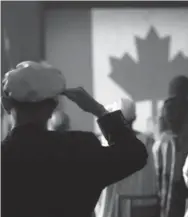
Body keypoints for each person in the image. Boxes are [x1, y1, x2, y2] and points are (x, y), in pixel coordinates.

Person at [1, 61, 148, 217]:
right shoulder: (80, 147)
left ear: (5, 104)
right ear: (53, 107)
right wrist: (99, 110)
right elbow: (135, 154)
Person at [95, 98, 156, 217]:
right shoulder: (149, 142)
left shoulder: (107, 144)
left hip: (117, 209)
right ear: (134, 118)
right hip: (144, 207)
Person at [152, 75, 188, 217]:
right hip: (183, 157)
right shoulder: (186, 105)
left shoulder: (166, 107)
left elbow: (160, 133)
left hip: (166, 161)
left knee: (167, 200)